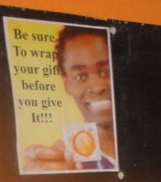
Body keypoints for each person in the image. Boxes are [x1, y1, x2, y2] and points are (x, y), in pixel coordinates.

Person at [23, 26, 118, 172]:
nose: (97, 87)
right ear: (66, 84)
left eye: (106, 71)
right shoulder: (69, 163)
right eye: (80, 76)